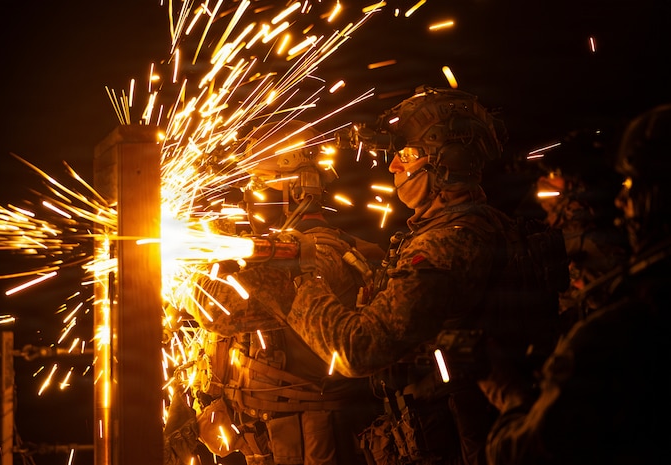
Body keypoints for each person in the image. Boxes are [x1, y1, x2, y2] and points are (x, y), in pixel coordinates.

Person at [282, 87, 568, 465]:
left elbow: (358, 349)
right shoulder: (476, 226)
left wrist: (299, 281)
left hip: (460, 443)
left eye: (407, 155)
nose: (393, 167)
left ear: (445, 162)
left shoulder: (446, 244)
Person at [167, 119, 386, 465]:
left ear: (297, 189)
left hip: (311, 446)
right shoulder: (281, 251)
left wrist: (181, 272)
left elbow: (220, 310)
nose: (248, 198)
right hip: (273, 441)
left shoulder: (316, 254)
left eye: (258, 184)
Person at [478, 104, 671, 465]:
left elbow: (524, 452)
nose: (622, 200)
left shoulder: (618, 329)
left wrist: (513, 397)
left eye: (631, 184)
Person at [527, 133, 628, 328]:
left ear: (574, 182)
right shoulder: (555, 227)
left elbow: (613, 299)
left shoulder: (592, 238)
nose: (543, 181)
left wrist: (583, 283)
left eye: (553, 175)